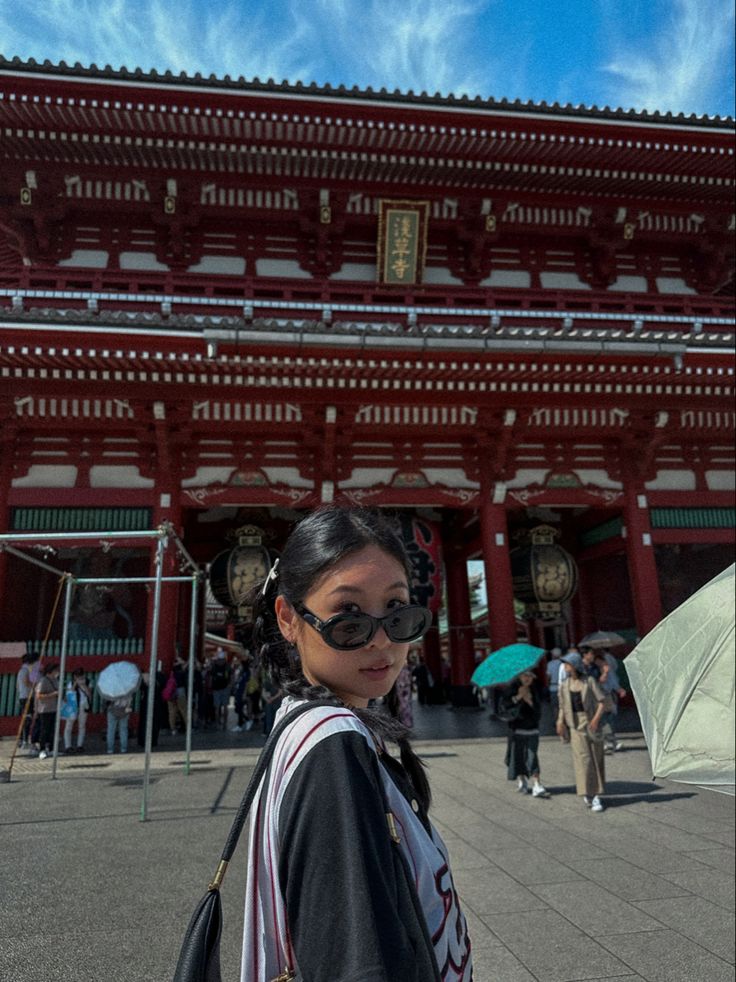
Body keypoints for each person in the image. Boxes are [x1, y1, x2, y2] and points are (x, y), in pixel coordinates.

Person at [241, 507, 473, 980]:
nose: (382, 640)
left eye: (398, 611)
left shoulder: (302, 725)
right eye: (348, 618)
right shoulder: (333, 749)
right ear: (288, 618)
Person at [556, 651, 607, 812]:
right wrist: (560, 721)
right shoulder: (565, 685)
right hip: (575, 725)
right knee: (582, 760)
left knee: (595, 758)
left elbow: (602, 702)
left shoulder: (589, 681)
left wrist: (595, 719)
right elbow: (563, 706)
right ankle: (587, 792)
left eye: (567, 664)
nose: (564, 667)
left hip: (590, 723)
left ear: (575, 666)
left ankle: (597, 794)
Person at [500, 671, 547, 797]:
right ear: (519, 676)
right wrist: (518, 697)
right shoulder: (511, 689)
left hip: (532, 728)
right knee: (518, 756)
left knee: (532, 756)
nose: (528, 679)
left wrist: (529, 700)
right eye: (525, 676)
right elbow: (504, 707)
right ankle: (522, 781)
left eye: (531, 676)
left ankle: (537, 784)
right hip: (517, 728)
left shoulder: (535, 689)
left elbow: (539, 710)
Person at [594, 651, 626, 753]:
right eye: (600, 661)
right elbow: (598, 683)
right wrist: (604, 673)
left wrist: (619, 689)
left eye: (603, 661)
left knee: (609, 720)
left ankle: (610, 742)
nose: (602, 663)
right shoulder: (595, 670)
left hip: (609, 696)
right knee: (604, 721)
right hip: (599, 697)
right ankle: (607, 742)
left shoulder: (609, 670)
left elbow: (613, 682)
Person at [62, 668, 91, 753]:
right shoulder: (70, 683)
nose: (78, 677)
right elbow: (68, 695)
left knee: (82, 725)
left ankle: (80, 745)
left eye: (80, 675)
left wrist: (84, 685)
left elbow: (90, 694)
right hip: (72, 706)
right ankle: (68, 746)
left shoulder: (88, 682)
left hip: (83, 705)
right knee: (68, 726)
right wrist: (75, 684)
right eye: (77, 676)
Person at [34, 663, 61, 759]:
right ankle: (42, 749)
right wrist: (53, 694)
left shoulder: (56, 680)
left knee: (53, 730)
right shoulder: (43, 681)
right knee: (44, 730)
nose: (57, 672)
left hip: (54, 708)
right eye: (56, 670)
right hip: (44, 709)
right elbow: (39, 696)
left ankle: (52, 748)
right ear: (51, 671)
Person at [16, 652, 39, 749]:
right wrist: (35, 686)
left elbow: (17, 685)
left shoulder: (22, 670)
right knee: (28, 719)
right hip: (27, 697)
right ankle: (24, 740)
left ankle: (22, 739)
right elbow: (26, 682)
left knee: (27, 718)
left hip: (23, 696)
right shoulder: (26, 670)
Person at [209, 648, 232, 730]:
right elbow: (231, 677)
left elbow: (211, 678)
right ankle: (224, 724)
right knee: (225, 707)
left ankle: (218, 723)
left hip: (217, 689)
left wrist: (210, 688)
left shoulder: (214, 666)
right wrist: (230, 686)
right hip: (225, 688)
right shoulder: (227, 666)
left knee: (217, 707)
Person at [545, 647, 563, 720]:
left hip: (553, 687)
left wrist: (548, 685)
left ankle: (557, 720)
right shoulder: (564, 663)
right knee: (564, 705)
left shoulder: (550, 664)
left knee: (555, 706)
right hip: (563, 686)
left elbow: (548, 677)